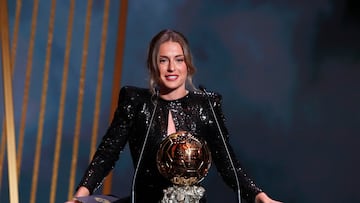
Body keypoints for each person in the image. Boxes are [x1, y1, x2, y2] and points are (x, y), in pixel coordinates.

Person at [66, 29, 282, 203]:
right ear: (153, 65)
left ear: (188, 65)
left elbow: (228, 165)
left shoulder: (206, 105)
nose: (171, 67)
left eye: (178, 60)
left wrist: (259, 196)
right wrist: (81, 198)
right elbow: (107, 154)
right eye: (163, 60)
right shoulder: (136, 102)